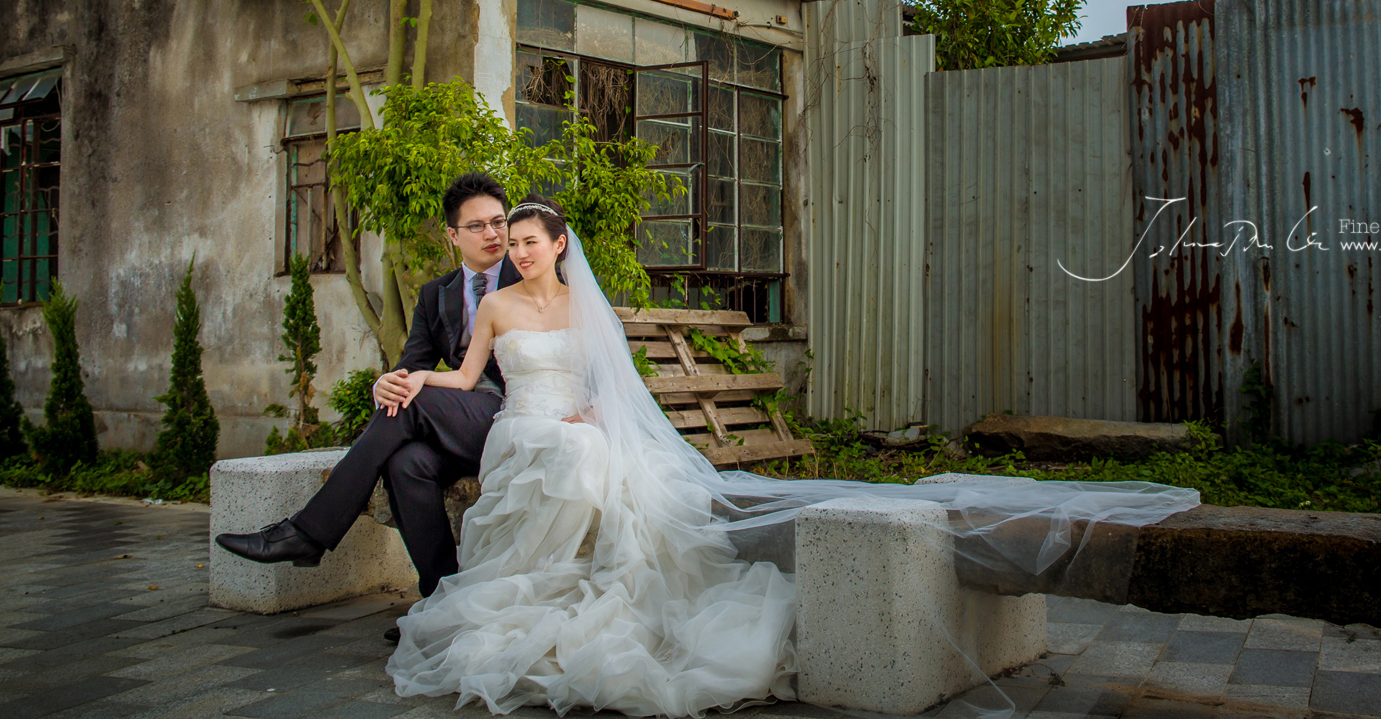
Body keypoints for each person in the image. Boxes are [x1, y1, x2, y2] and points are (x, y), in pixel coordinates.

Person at [384, 197, 1202, 717]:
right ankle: (531, 573)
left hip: (573, 427)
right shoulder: (494, 305)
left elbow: (609, 386)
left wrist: (586, 416)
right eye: (511, 243)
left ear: (560, 243)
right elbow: (464, 376)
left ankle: (577, 573)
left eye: (530, 241)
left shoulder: (584, 305)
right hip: (521, 430)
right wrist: (412, 376)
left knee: (586, 454)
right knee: (560, 454)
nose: (518, 252)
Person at [215, 171, 524, 643]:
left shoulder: (529, 273)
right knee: (406, 462)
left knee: (415, 402)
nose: (493, 234)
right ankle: (444, 603)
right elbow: (412, 366)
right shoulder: (436, 294)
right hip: (459, 422)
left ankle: (308, 532)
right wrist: (385, 383)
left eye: (499, 222)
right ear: (452, 235)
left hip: (514, 416)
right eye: (477, 226)